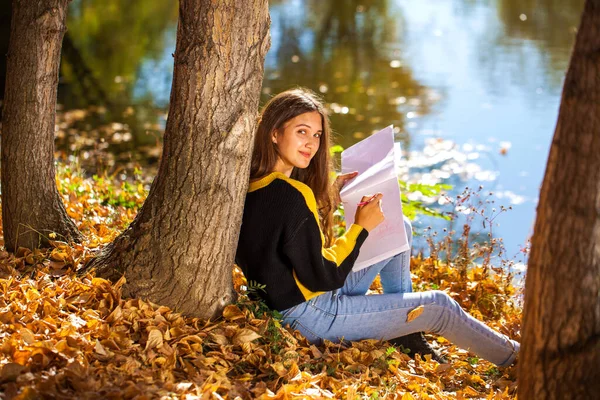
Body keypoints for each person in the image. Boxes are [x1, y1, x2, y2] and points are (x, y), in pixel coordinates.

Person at [235, 88, 519, 366]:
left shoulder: (256, 186)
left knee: (399, 228)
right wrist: (360, 227)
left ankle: (406, 333)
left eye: (317, 134)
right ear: (274, 133)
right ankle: (520, 358)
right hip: (311, 316)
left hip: (287, 303)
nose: (311, 143)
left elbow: (283, 242)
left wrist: (328, 201)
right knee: (439, 307)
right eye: (301, 131)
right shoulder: (294, 195)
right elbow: (324, 276)